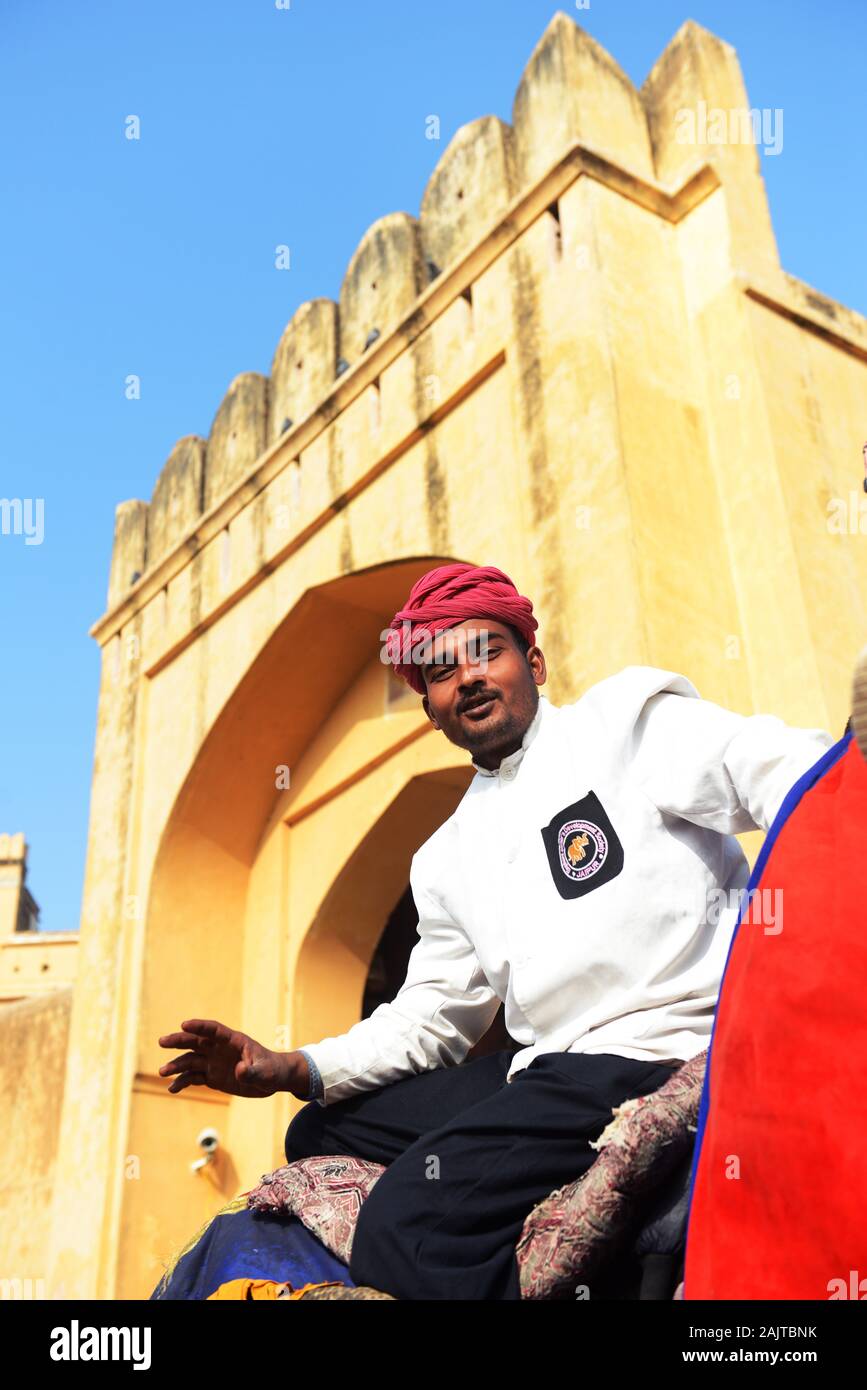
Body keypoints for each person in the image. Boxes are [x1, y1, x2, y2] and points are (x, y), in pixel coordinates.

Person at [158, 562, 835, 1300]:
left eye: (488, 652)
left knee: (403, 1227)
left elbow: (773, 769)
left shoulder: (625, 723)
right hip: (550, 1069)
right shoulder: (445, 855)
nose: (469, 679)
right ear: (432, 709)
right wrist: (291, 1068)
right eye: (443, 672)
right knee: (320, 1130)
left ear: (532, 663)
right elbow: (430, 1017)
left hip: (652, 1048)